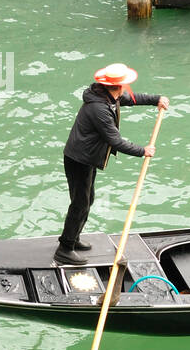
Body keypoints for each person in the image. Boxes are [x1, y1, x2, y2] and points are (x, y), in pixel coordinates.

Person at [56, 64, 168, 265]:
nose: (125, 89)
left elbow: (132, 99)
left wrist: (156, 100)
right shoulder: (99, 108)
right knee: (80, 203)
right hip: (78, 160)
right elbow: (115, 141)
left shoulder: (107, 97)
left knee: (87, 199)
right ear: (117, 86)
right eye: (123, 85)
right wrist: (143, 150)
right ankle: (65, 248)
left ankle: (74, 238)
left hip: (86, 158)